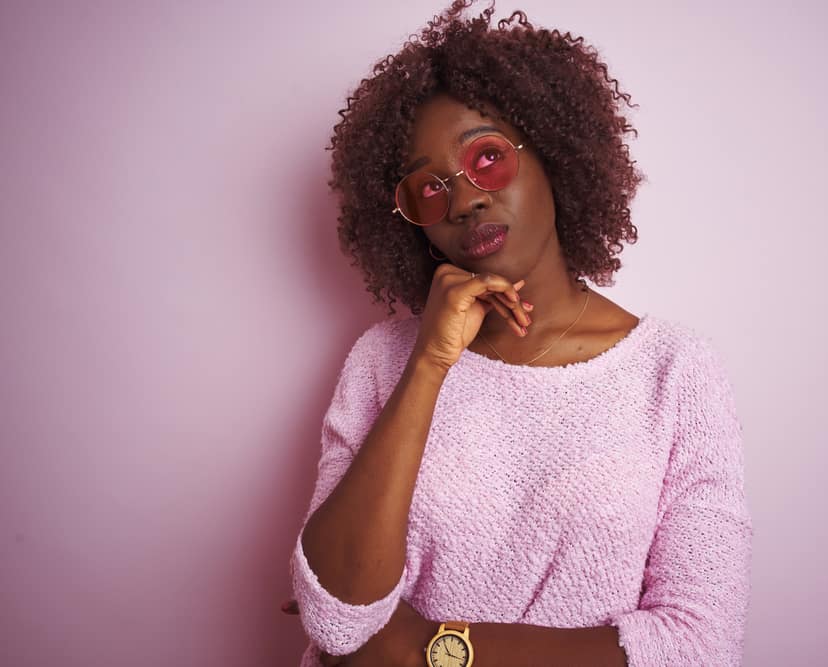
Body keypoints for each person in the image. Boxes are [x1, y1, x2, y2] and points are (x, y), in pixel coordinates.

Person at [283, 1, 753, 665]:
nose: (466, 199)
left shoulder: (675, 372)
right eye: (430, 189)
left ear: (555, 156)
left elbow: (700, 647)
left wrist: (432, 650)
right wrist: (430, 363)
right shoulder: (384, 359)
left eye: (488, 158)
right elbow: (336, 618)